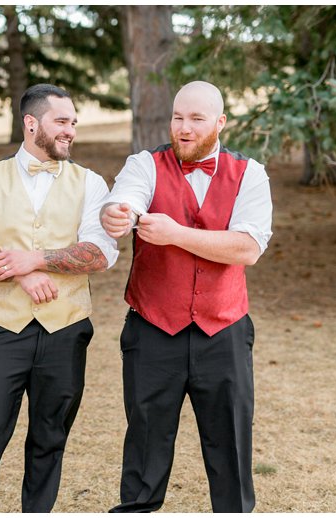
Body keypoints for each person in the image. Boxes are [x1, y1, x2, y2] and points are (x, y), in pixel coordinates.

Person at [99, 81, 272, 512]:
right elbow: (126, 199)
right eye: (178, 117)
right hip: (153, 329)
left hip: (224, 330)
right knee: (145, 443)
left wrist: (176, 235)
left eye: (196, 119)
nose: (184, 128)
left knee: (230, 444)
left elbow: (247, 248)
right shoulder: (145, 164)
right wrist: (116, 213)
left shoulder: (250, 173)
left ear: (220, 123)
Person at [0, 83, 118, 512]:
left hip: (66, 328)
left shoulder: (92, 183)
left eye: (73, 123)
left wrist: (35, 260)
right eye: (61, 121)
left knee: (50, 434)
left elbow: (100, 253)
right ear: (31, 123)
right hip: (3, 328)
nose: (70, 132)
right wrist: (19, 274)